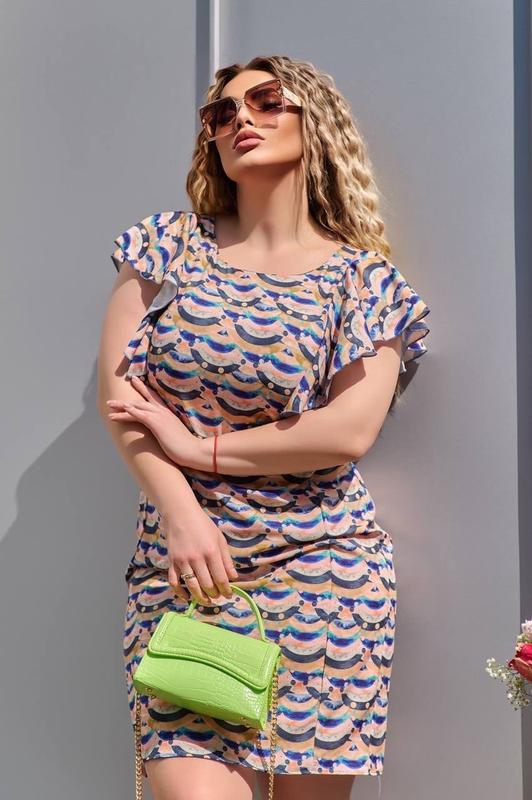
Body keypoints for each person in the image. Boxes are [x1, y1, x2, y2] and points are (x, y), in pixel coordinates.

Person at [97, 54, 430, 800]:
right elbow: (119, 399)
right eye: (221, 113)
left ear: (317, 123)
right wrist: (182, 513)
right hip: (189, 570)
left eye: (267, 101)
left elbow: (346, 432)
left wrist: (198, 447)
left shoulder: (364, 281)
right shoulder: (166, 246)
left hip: (324, 573)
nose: (240, 118)